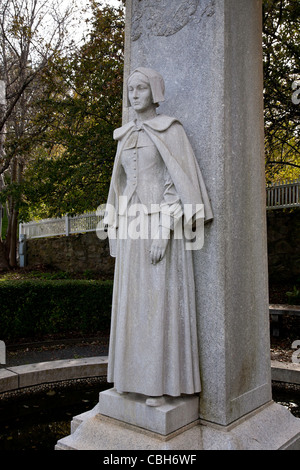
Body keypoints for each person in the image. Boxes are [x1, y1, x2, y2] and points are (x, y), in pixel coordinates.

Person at [104, 67, 213, 407]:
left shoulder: (171, 130)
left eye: (140, 88)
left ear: (154, 91)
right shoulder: (125, 136)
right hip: (133, 229)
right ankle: (129, 378)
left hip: (159, 230)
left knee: (159, 305)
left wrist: (164, 232)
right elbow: (119, 188)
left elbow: (177, 185)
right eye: (130, 89)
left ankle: (160, 385)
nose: (133, 94)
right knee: (133, 306)